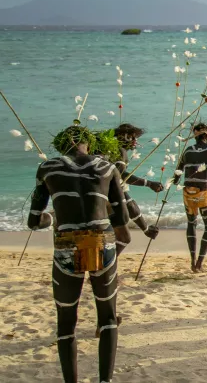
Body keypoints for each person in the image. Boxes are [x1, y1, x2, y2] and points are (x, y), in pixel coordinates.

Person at [28, 125, 146, 383]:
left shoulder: (48, 168)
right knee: (108, 318)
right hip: (102, 244)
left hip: (67, 247)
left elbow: (34, 221)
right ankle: (105, 381)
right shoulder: (107, 167)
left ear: (61, 145)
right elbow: (122, 218)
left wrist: (55, 216)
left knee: (66, 323)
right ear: (89, 145)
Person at [173, 122, 207, 272]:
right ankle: (199, 263)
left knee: (191, 224)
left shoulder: (187, 152)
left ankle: (192, 261)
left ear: (194, 135)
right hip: (204, 194)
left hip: (188, 193)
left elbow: (176, 177)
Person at [111, 123, 162, 251]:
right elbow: (122, 176)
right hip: (108, 198)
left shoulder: (112, 151)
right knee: (124, 238)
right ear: (123, 136)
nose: (135, 141)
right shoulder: (120, 151)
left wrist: (145, 229)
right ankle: (108, 268)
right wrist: (149, 183)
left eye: (136, 138)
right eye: (132, 138)